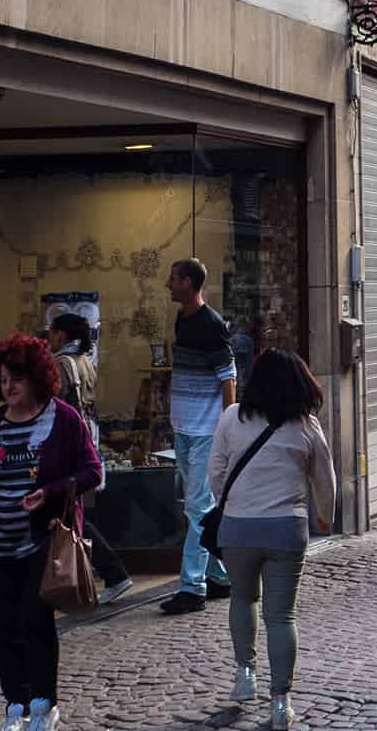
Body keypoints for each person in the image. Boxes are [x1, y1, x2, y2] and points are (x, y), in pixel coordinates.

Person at [0, 333, 103, 731]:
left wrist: (51, 491)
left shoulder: (63, 420)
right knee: (5, 628)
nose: (9, 387)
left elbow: (92, 471)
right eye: (4, 379)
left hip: (42, 541)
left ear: (37, 380)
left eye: (18, 379)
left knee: (34, 618)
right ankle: (16, 706)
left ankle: (44, 703)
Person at [208, 349, 336, 731]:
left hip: (238, 527)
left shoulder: (232, 418)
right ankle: (281, 703)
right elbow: (325, 481)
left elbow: (215, 471)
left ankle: (245, 674)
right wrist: (325, 517)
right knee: (281, 616)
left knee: (242, 598)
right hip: (286, 529)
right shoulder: (306, 426)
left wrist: (230, 503)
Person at [161, 258, 239, 615]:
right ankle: (219, 576)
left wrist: (225, 426)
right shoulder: (183, 319)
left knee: (197, 507)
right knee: (199, 505)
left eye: (174, 280)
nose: (168, 284)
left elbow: (228, 377)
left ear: (190, 284)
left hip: (206, 430)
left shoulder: (211, 324)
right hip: (185, 428)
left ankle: (192, 586)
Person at [46, 313, 131, 602]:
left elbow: (55, 408)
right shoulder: (85, 363)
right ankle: (107, 573)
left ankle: (109, 573)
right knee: (71, 514)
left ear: (61, 335)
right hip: (85, 442)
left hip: (65, 447)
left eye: (52, 332)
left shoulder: (60, 364)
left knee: (69, 515)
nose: (49, 337)